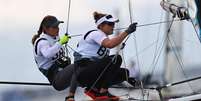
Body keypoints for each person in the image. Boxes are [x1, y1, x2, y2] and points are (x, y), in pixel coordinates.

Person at [74, 12, 138, 100]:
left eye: (114, 24)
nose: (113, 26)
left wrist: (127, 78)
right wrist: (127, 32)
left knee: (125, 73)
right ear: (101, 26)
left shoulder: (103, 38)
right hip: (83, 71)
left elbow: (107, 67)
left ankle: (94, 90)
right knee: (116, 59)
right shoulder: (96, 33)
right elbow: (110, 44)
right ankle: (103, 92)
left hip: (92, 72)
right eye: (110, 24)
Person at [32, 15, 77, 101]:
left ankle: (98, 92)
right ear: (46, 28)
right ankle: (70, 98)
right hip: (56, 79)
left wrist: (61, 42)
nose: (58, 29)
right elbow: (48, 54)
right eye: (54, 27)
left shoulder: (55, 38)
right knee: (77, 65)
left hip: (63, 73)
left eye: (58, 26)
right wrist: (60, 42)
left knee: (86, 67)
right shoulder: (42, 42)